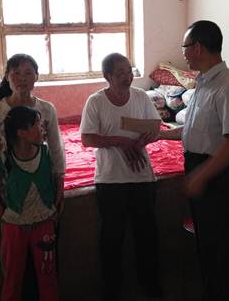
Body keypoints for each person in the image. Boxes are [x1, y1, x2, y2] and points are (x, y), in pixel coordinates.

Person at [160, 21, 229, 301]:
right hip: (203, 169)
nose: (184, 53)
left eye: (185, 47)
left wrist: (200, 175)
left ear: (198, 47)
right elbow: (194, 129)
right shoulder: (202, 83)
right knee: (207, 243)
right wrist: (159, 133)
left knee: (222, 247)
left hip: (221, 175)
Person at [80, 53, 162, 301]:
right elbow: (87, 139)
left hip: (141, 177)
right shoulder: (96, 101)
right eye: (120, 73)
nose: (127, 77)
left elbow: (155, 126)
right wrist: (120, 141)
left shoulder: (140, 97)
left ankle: (150, 285)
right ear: (108, 77)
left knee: (146, 234)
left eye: (129, 71)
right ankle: (112, 289)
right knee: (112, 238)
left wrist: (144, 139)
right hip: (110, 179)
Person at [0, 106, 60, 301]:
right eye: (36, 125)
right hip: (14, 225)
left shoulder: (45, 153)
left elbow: (54, 178)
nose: (42, 129)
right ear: (21, 133)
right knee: (13, 277)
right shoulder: (5, 159)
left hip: (43, 222)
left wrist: (54, 205)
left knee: (48, 275)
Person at [0, 53, 65, 213]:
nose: (22, 78)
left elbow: (56, 148)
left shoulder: (46, 109)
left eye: (28, 73)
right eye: (16, 73)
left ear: (36, 77)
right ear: (7, 77)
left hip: (41, 175)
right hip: (8, 180)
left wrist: (60, 183)